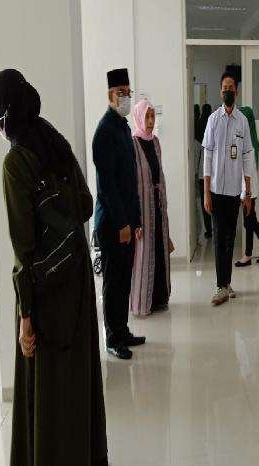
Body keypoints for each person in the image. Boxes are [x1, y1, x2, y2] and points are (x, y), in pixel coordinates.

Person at [0, 69, 108, 465]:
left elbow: (23, 249)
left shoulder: (15, 162)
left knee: (46, 388)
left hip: (44, 292)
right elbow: (86, 205)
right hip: (77, 279)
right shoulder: (55, 142)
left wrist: (25, 317)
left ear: (4, 112)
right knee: (77, 379)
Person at [93, 68, 145, 359]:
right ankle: (112, 338)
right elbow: (107, 186)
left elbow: (130, 179)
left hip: (126, 220)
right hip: (113, 222)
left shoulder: (123, 127)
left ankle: (122, 330)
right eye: (120, 93)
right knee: (113, 282)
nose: (125, 97)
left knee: (124, 279)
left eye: (127, 92)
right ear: (110, 95)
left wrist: (135, 220)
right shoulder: (104, 131)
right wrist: (123, 222)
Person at [202, 72, 254, 305]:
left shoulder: (242, 121)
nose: (228, 91)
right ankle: (220, 285)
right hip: (215, 191)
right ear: (220, 92)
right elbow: (207, 157)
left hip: (233, 192)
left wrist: (247, 192)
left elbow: (247, 157)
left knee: (230, 238)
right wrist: (206, 192)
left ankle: (226, 283)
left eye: (231, 87)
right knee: (218, 239)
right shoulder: (213, 120)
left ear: (236, 92)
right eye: (224, 87)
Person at [129, 99, 174, 316]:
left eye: (152, 116)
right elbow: (131, 183)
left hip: (157, 206)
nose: (150, 121)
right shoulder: (133, 144)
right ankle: (142, 302)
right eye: (146, 116)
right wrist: (135, 218)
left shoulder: (155, 142)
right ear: (139, 117)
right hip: (143, 210)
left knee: (159, 249)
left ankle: (159, 298)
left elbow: (159, 174)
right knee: (144, 253)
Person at [235, 106, 259, 267]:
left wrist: (246, 193)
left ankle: (248, 255)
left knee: (249, 221)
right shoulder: (248, 141)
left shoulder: (249, 144)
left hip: (249, 188)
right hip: (247, 188)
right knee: (251, 220)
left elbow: (248, 170)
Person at [196, 103, 213, 239]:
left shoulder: (198, 127)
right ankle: (216, 226)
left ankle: (209, 229)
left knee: (204, 202)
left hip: (202, 174)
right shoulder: (213, 124)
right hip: (215, 174)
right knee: (216, 201)